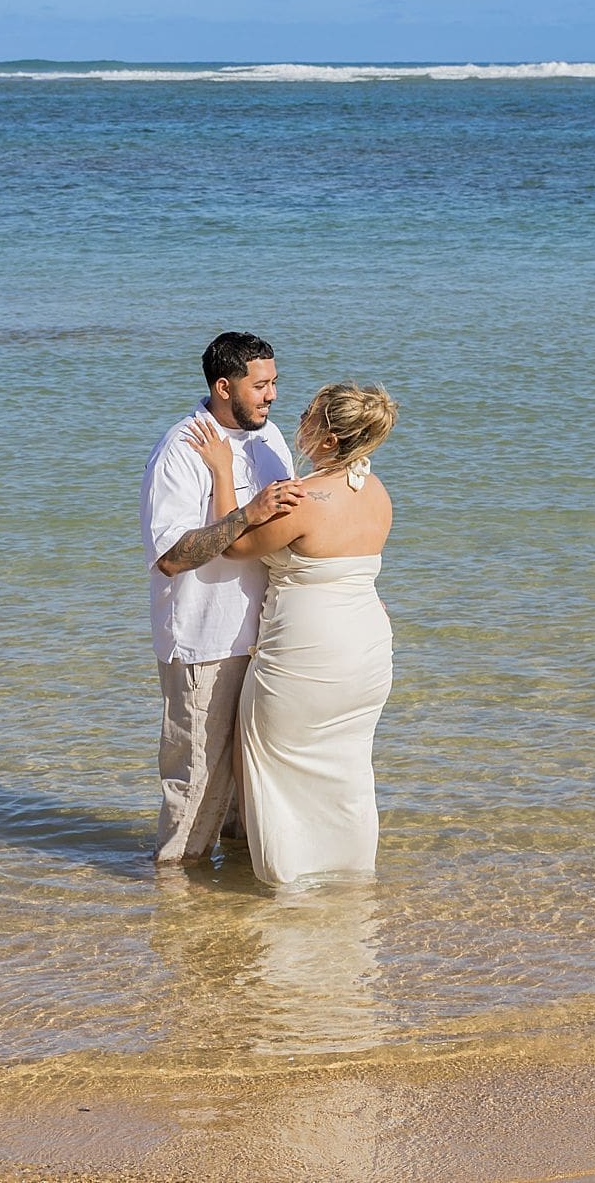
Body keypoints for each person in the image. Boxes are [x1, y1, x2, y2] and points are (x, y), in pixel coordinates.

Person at [189, 382, 399, 886]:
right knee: (346, 772)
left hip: (309, 654)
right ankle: (346, 883)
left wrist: (221, 470)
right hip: (367, 648)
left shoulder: (305, 501)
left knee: (273, 765)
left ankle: (290, 888)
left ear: (328, 439)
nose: (298, 416)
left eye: (309, 414)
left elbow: (233, 547)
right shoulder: (375, 491)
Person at [140, 332, 304, 863]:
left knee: (249, 789)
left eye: (274, 383)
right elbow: (172, 555)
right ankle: (173, 904)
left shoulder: (270, 437)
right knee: (197, 786)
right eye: (261, 385)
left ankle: (225, 913)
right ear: (223, 385)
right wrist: (246, 514)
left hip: (266, 636)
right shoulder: (180, 449)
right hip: (205, 640)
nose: (272, 395)